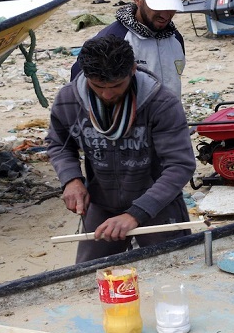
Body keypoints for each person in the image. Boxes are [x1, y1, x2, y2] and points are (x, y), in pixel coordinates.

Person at [47, 35, 196, 263]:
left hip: (158, 205)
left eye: (117, 85)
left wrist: (135, 214)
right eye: (98, 86)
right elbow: (59, 144)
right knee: (89, 275)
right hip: (102, 204)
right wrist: (71, 179)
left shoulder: (161, 103)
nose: (107, 94)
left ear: (132, 69)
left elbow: (180, 166)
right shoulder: (69, 100)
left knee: (173, 271)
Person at [70, 0, 186, 98]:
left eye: (171, 8)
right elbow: (78, 82)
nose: (165, 15)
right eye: (158, 7)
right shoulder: (113, 39)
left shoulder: (175, 38)